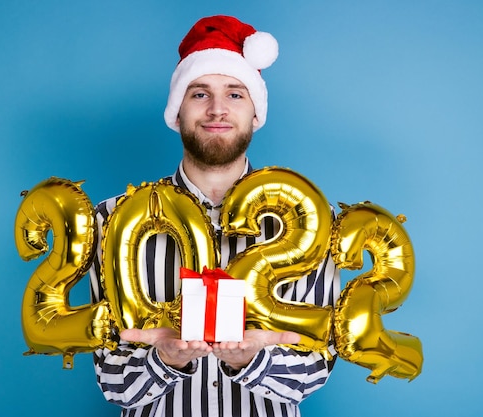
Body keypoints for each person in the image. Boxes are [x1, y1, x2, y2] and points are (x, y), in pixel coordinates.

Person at [89, 15, 340, 417]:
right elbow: (112, 382)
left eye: (235, 94)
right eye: (200, 94)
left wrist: (253, 362)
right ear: (177, 110)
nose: (218, 109)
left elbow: (315, 367)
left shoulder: (309, 219)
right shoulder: (111, 219)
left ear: (255, 111)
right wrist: (165, 360)